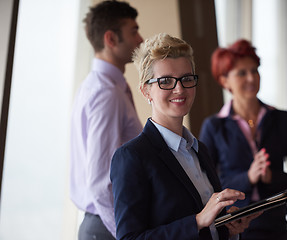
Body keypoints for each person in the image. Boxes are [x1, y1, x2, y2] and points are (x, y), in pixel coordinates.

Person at [110, 33, 261, 240]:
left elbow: (206, 227)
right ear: (146, 91)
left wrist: (226, 226)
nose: (179, 88)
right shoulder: (131, 157)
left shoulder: (199, 149)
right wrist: (198, 221)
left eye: (187, 79)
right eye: (165, 81)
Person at [199, 39, 287, 240]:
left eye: (255, 70)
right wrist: (247, 178)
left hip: (276, 228)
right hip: (233, 228)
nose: (251, 78)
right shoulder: (213, 127)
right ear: (224, 81)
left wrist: (271, 177)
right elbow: (205, 187)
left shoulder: (283, 120)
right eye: (242, 73)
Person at [70, 1, 143, 239]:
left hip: (103, 224)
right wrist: (126, 234)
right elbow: (101, 181)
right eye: (133, 31)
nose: (140, 39)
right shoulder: (106, 93)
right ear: (111, 39)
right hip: (107, 227)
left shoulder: (96, 86)